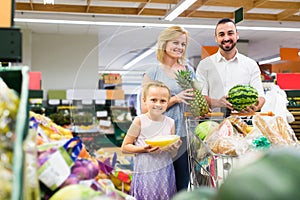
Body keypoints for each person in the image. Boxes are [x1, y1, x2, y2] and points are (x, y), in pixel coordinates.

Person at [142, 26, 194, 192]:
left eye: (183, 44)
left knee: (182, 185)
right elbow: (145, 109)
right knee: (160, 185)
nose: (180, 47)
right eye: (175, 42)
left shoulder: (188, 70)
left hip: (183, 136)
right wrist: (174, 99)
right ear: (164, 44)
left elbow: (197, 99)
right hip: (160, 137)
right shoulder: (153, 73)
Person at [121, 81, 181, 200]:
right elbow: (125, 147)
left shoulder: (170, 122)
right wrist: (144, 149)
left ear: (168, 102)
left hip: (165, 172)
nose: (158, 104)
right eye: (153, 100)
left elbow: (172, 154)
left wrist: (174, 149)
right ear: (144, 101)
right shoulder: (139, 121)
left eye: (163, 101)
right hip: (145, 172)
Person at [196, 18, 265, 115]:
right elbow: (200, 97)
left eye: (230, 33)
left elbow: (261, 96)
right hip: (213, 121)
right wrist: (218, 102)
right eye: (221, 34)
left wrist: (256, 106)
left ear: (237, 35)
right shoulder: (205, 65)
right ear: (216, 38)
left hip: (243, 121)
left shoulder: (250, 64)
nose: (226, 38)